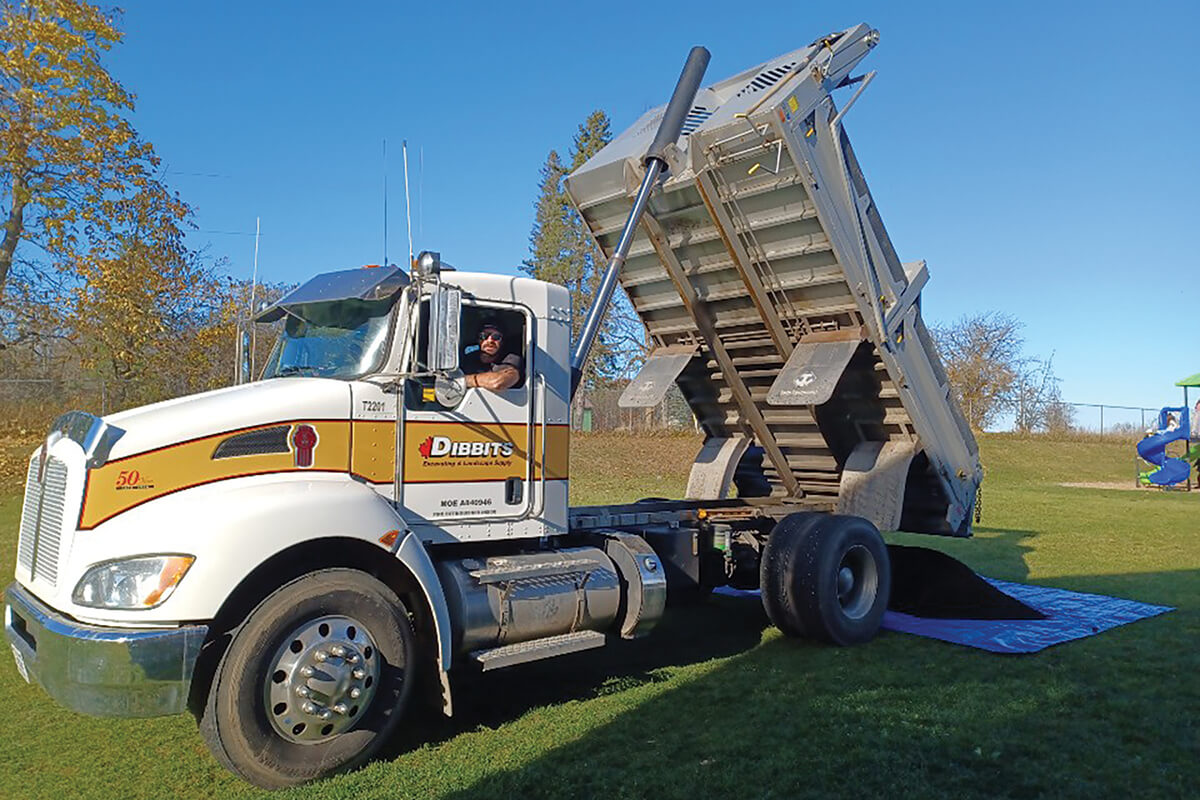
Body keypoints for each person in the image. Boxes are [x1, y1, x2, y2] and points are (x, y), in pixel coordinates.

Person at [461, 320, 522, 392]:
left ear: (502, 341)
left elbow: (498, 383)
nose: (490, 340)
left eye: (496, 337)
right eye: (484, 336)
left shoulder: (511, 359)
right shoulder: (468, 359)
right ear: (478, 339)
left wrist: (464, 380)